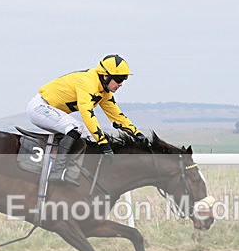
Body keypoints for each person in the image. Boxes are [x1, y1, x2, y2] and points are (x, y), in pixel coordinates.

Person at [26, 54, 148, 186]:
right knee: (76, 128)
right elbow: (87, 114)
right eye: (118, 79)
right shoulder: (88, 83)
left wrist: (137, 134)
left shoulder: (104, 92)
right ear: (105, 76)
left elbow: (117, 115)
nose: (121, 84)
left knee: (87, 135)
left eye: (124, 79)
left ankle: (76, 171)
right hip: (40, 107)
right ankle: (57, 170)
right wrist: (103, 143)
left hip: (51, 110)